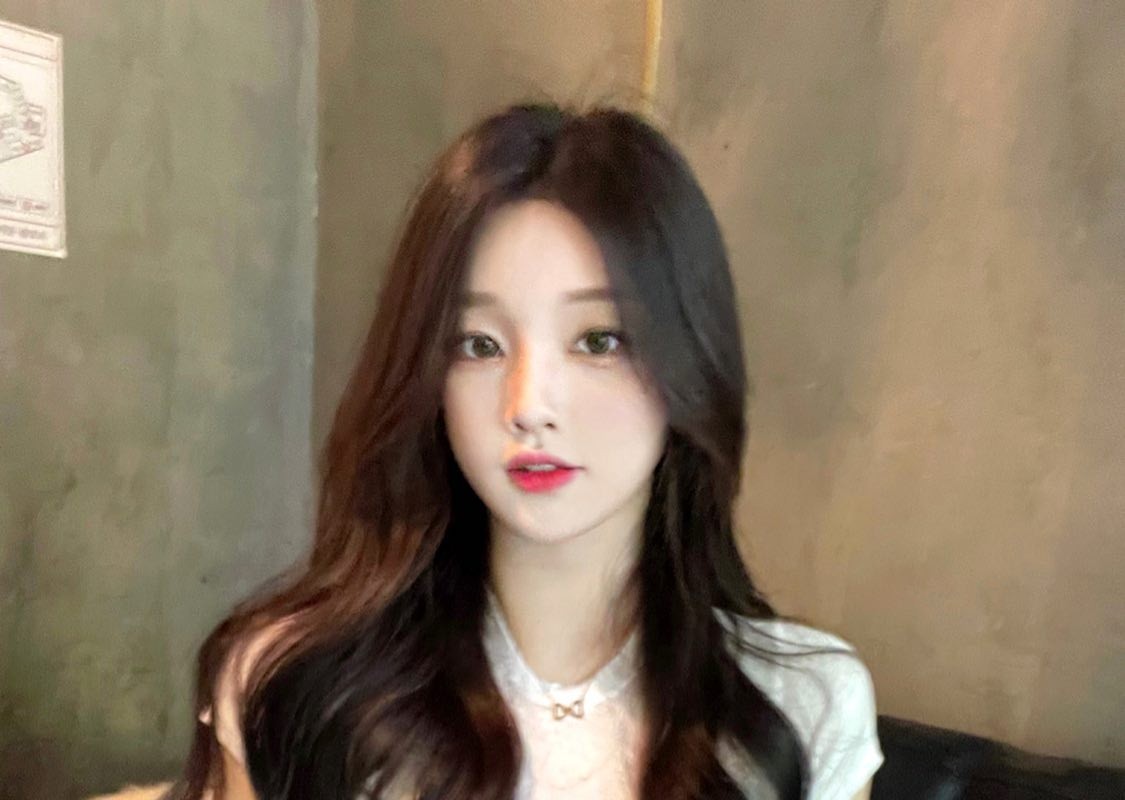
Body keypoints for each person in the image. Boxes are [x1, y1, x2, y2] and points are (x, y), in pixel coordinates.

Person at [168, 101, 884, 800]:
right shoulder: (293, 684)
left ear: (687, 361)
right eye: (478, 345)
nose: (528, 406)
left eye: (598, 340)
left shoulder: (803, 705)